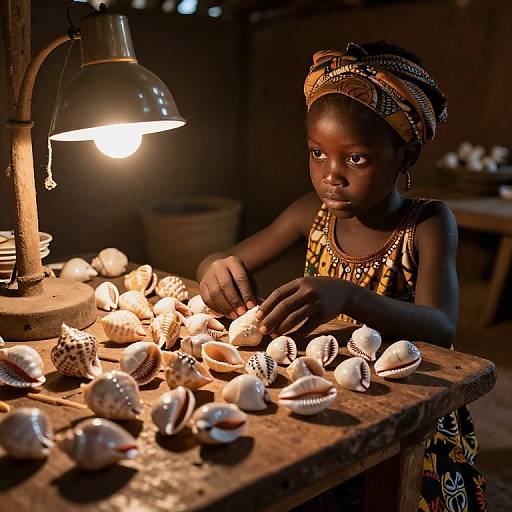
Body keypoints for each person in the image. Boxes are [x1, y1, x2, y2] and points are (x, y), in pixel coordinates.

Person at [197, 41, 486, 511]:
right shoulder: (309, 214)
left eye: (355, 159)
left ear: (405, 157)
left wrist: (349, 297)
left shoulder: (427, 224)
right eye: (317, 153)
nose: (331, 175)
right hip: (326, 395)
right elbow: (223, 259)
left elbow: (441, 326)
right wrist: (214, 268)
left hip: (408, 415)